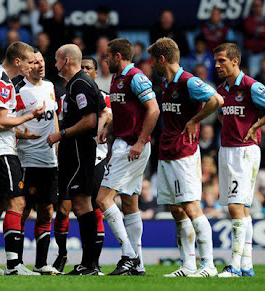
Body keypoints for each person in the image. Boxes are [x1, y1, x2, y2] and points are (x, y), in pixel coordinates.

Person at [148, 37, 223, 277]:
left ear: (162, 59)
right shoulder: (166, 83)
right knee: (176, 209)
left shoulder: (187, 81)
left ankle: (208, 265)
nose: (151, 65)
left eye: (153, 60)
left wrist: (194, 121)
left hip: (184, 153)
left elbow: (216, 100)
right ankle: (188, 265)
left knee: (192, 207)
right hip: (167, 153)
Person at [213, 42, 265, 277]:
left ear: (235, 61)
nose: (217, 65)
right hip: (227, 150)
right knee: (241, 209)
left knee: (236, 207)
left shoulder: (250, 86)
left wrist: (257, 124)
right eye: (216, 61)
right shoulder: (222, 89)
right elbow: (219, 112)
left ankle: (234, 265)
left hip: (244, 151)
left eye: (222, 60)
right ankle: (246, 265)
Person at [0, 41, 45, 276]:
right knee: (18, 203)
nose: (32, 65)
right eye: (29, 61)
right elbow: (1, 121)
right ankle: (14, 265)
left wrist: (18, 133)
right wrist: (27, 117)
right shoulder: (4, 84)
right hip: (1, 152)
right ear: (17, 61)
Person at [97, 38, 159, 276]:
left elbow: (153, 109)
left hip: (132, 146)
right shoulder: (117, 78)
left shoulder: (136, 76)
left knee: (103, 199)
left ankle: (129, 256)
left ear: (118, 56)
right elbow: (125, 112)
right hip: (124, 141)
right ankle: (139, 264)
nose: (105, 59)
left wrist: (141, 141)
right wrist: (109, 129)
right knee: (130, 204)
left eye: (107, 56)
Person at [52, 56, 111, 275]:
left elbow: (90, 121)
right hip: (76, 153)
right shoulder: (73, 86)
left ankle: (90, 263)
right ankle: (88, 264)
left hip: (79, 153)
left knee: (82, 206)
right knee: (80, 206)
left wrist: (61, 134)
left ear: (66, 60)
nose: (55, 64)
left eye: (57, 59)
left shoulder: (80, 84)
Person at [12, 49, 60, 275]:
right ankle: (16, 262)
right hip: (27, 159)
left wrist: (57, 148)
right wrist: (21, 135)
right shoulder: (17, 89)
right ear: (27, 65)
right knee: (23, 209)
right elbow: (3, 122)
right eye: (35, 62)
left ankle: (41, 263)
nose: (40, 65)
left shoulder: (50, 87)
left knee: (47, 209)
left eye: (42, 61)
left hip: (49, 160)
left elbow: (55, 120)